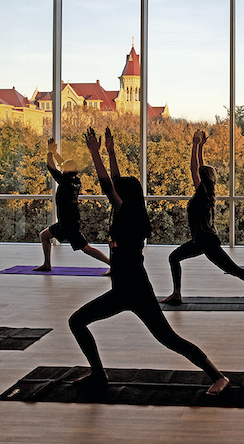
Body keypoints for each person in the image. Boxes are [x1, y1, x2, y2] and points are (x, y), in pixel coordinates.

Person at [68, 127, 230, 395]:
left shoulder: (129, 216)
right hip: (122, 290)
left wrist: (95, 153)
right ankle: (98, 373)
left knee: (169, 339)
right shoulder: (129, 211)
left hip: (135, 290)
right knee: (77, 322)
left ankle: (218, 377)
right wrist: (110, 151)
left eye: (119, 195)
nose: (113, 198)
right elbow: (116, 181)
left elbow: (109, 185)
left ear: (125, 198)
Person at [161, 129, 244, 306]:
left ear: (201, 179)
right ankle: (176, 294)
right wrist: (200, 147)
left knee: (230, 268)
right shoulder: (207, 191)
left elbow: (194, 167)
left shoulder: (202, 193)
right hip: (204, 239)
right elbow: (199, 167)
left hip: (204, 241)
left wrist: (195, 145)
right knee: (177, 258)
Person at [33, 138, 109, 272]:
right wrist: (55, 153)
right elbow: (63, 164)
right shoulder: (75, 181)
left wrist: (50, 153)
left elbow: (51, 167)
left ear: (66, 171)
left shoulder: (65, 182)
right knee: (45, 236)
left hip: (67, 223)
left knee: (86, 248)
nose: (62, 170)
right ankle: (47, 264)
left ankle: (113, 264)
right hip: (71, 221)